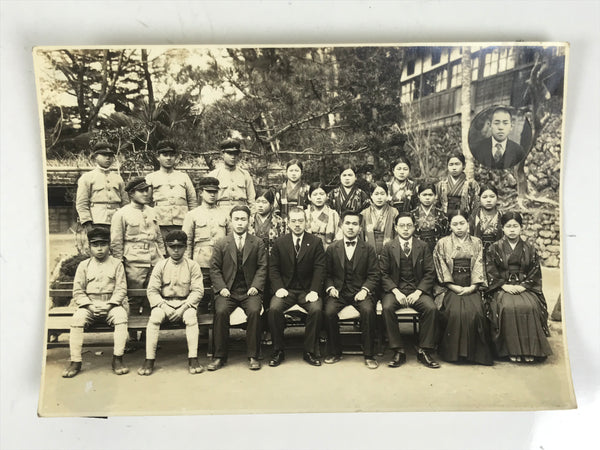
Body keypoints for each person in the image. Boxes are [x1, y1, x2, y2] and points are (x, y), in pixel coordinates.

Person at [485, 212, 552, 362]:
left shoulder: (529, 248)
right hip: (502, 286)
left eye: (515, 226)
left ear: (521, 227)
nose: (512, 230)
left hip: (524, 286)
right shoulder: (494, 248)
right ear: (502, 228)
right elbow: (490, 271)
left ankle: (530, 350)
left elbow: (535, 271)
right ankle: (511, 350)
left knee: (530, 306)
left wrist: (524, 286)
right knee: (507, 307)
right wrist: (503, 285)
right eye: (508, 226)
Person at [62, 227, 129, 378]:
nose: (99, 249)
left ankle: (118, 358)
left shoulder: (117, 264)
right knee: (77, 318)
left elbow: (121, 289)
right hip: (89, 305)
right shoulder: (84, 265)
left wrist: (110, 305)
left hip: (111, 305)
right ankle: (75, 361)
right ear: (89, 246)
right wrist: (90, 306)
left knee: (121, 317)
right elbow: (78, 291)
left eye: (103, 244)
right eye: (95, 245)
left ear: (109, 245)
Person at [208, 206, 267, 371]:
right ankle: (219, 356)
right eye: (236, 219)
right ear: (231, 221)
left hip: (249, 291)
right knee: (220, 312)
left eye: (243, 219)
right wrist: (221, 288)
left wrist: (255, 286)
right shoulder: (221, 243)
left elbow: (262, 267)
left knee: (254, 311)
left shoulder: (257, 243)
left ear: (249, 221)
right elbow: (214, 268)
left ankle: (253, 355)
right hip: (228, 291)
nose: (240, 223)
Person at [138, 230, 204, 376]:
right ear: (167, 248)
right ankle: (149, 359)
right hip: (164, 304)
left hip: (185, 304)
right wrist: (164, 307)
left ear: (185, 247)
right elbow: (152, 291)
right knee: (154, 317)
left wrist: (183, 308)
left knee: (191, 317)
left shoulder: (192, 266)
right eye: (172, 247)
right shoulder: (160, 265)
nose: (176, 250)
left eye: (179, 246)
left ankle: (193, 358)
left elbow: (198, 291)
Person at [379, 213, 441, 369]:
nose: (405, 229)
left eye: (409, 225)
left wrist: (418, 292)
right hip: (395, 290)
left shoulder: (423, 246)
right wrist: (396, 291)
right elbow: (383, 273)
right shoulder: (388, 247)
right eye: (402, 225)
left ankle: (424, 350)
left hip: (417, 290)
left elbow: (430, 273)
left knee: (431, 308)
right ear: (396, 228)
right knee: (387, 307)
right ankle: (398, 350)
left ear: (414, 227)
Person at [268, 207, 326, 367]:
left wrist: (314, 290)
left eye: (300, 220)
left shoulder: (315, 242)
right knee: (274, 309)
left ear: (306, 222)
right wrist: (279, 287)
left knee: (316, 309)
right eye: (293, 221)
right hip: (286, 290)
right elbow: (273, 268)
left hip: (307, 291)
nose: (297, 224)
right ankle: (278, 350)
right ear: (288, 223)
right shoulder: (280, 242)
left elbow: (320, 268)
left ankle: (310, 351)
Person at [433, 210, 493, 365]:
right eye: (455, 224)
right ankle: (454, 354)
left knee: (476, 312)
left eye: (462, 223)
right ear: (450, 226)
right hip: (450, 285)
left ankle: (474, 355)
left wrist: (473, 287)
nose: (459, 227)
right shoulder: (442, 243)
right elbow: (441, 267)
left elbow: (479, 264)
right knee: (454, 312)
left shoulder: (477, 242)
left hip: (471, 283)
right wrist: (453, 286)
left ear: (468, 224)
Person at [323, 211, 379, 369]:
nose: (350, 227)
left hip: (360, 291)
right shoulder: (332, 248)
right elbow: (326, 274)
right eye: (347, 223)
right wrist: (330, 287)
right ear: (341, 225)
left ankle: (369, 355)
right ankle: (334, 352)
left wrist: (365, 290)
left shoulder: (368, 248)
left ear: (360, 228)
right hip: (339, 292)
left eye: (355, 224)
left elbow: (374, 274)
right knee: (328, 312)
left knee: (368, 311)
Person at [111, 177, 165, 318]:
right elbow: (116, 242)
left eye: (147, 190)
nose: (146, 193)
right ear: (131, 194)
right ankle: (134, 329)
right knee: (134, 299)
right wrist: (119, 263)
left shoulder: (153, 212)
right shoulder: (121, 214)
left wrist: (162, 256)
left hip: (154, 260)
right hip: (133, 261)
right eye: (141, 191)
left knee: (151, 297)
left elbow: (158, 237)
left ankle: (148, 328)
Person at [182, 177, 230, 314]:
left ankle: (218, 325)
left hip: (221, 262)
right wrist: (188, 263)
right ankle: (201, 325)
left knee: (221, 296)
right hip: (200, 262)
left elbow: (230, 239)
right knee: (200, 295)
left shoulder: (225, 214)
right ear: (201, 192)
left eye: (215, 192)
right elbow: (187, 241)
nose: (212, 195)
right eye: (209, 191)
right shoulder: (192, 215)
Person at [249, 188, 287, 344]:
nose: (260, 205)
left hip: (273, 263)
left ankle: (272, 331)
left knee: (271, 297)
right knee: (257, 297)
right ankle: (258, 330)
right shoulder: (249, 221)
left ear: (272, 204)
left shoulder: (280, 222)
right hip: (254, 265)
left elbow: (284, 244)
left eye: (264, 202)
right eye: (258, 201)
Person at [145, 140, 197, 241]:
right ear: (158, 157)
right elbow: (145, 202)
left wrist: (193, 221)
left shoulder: (184, 177)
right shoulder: (151, 178)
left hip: (182, 223)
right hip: (160, 224)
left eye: (171, 155)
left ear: (175, 157)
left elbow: (192, 201)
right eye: (165, 155)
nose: (168, 158)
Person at [75, 141, 128, 231]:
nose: (108, 158)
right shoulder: (87, 177)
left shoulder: (118, 178)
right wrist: (87, 223)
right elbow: (82, 203)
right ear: (95, 157)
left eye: (110, 155)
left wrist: (126, 220)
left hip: (117, 221)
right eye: (104, 155)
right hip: (96, 221)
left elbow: (125, 202)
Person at [207, 138, 256, 210]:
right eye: (230, 153)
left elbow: (251, 200)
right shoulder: (213, 175)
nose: (233, 157)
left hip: (241, 211)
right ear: (222, 154)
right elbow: (208, 200)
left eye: (236, 154)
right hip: (220, 211)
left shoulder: (245, 174)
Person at [436, 153, 480, 219]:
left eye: (457, 164)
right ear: (447, 166)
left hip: (465, 219)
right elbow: (437, 204)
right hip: (445, 218)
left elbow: (476, 205)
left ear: (464, 165)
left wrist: (472, 220)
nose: (454, 168)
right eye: (451, 164)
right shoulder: (441, 184)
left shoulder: (472, 184)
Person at [361, 181, 398, 258]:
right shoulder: (364, 213)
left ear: (387, 195)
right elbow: (361, 236)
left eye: (382, 194)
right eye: (376, 194)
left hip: (389, 249)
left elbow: (397, 234)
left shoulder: (394, 212)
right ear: (371, 195)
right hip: (369, 249)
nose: (379, 197)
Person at [411, 183, 449, 254]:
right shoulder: (412, 214)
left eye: (430, 195)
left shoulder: (442, 214)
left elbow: (446, 235)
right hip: (417, 249)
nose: (427, 198)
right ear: (418, 196)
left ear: (435, 196)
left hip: (437, 249)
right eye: (424, 195)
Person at [469, 184, 503, 255]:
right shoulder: (474, 216)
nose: (488, 200)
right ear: (479, 198)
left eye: (492, 196)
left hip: (497, 254)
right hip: (477, 254)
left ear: (497, 198)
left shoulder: (502, 216)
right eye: (484, 197)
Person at [305, 182, 341, 250]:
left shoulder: (333, 214)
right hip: (308, 249)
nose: (318, 197)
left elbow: (339, 236)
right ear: (309, 197)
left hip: (328, 249)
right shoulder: (305, 214)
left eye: (321, 194)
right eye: (315, 194)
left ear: (327, 196)